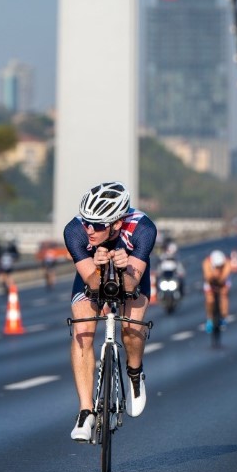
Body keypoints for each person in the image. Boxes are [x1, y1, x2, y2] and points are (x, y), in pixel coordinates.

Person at [63, 181, 157, 443]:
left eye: (98, 225)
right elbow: (93, 285)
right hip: (93, 271)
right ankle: (85, 412)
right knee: (82, 329)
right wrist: (97, 268)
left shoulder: (143, 229)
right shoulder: (75, 231)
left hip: (131, 272)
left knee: (131, 327)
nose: (90, 230)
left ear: (117, 223)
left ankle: (135, 374)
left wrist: (125, 268)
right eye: (87, 222)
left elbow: (128, 287)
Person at [201, 249, 235, 332]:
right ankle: (209, 319)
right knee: (209, 299)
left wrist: (220, 281)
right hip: (211, 282)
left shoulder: (227, 263)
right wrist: (213, 280)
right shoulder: (206, 263)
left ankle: (224, 317)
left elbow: (225, 275)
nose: (219, 268)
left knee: (224, 295)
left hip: (223, 281)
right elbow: (207, 277)